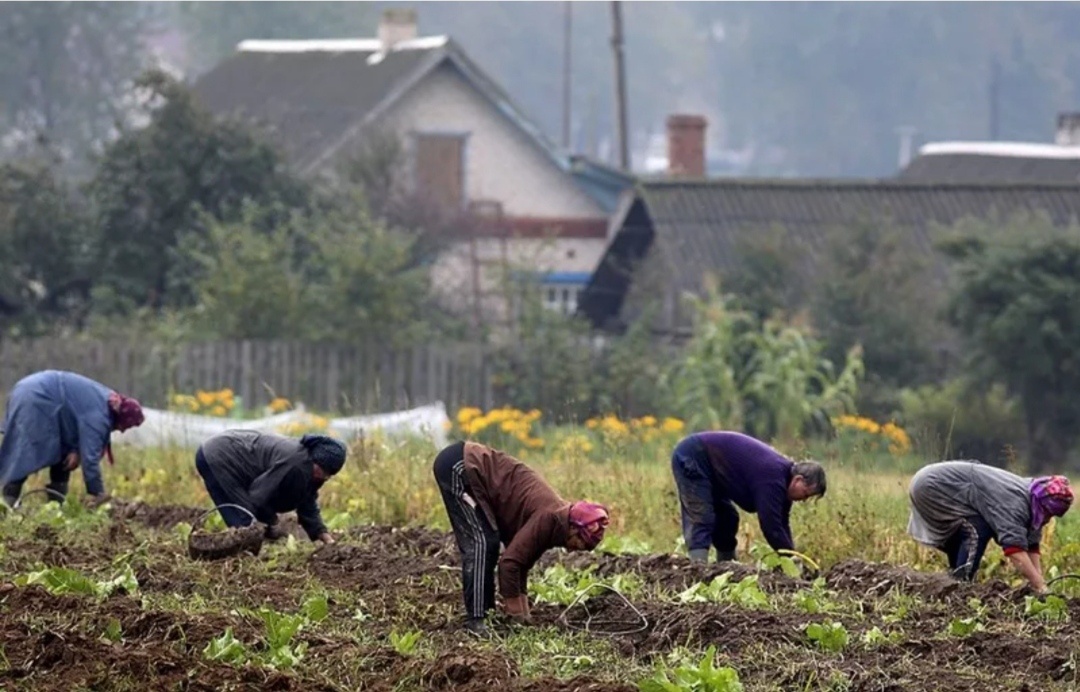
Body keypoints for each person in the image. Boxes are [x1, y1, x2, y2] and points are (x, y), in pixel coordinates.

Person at [432, 440, 609, 637]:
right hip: (460, 465)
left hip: (468, 466)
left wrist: (525, 616)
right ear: (574, 530)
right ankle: (477, 621)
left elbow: (521, 563)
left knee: (488, 543)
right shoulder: (549, 518)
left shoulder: (555, 523)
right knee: (482, 543)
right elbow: (509, 564)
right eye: (579, 545)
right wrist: (516, 618)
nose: (572, 550)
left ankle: (488, 616)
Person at [907, 460, 1073, 593]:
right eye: (1048, 514)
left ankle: (951, 581)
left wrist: (1039, 582)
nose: (1048, 519)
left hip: (937, 484)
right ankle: (961, 587)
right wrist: (1040, 587)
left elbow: (1031, 545)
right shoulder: (1015, 504)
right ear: (1042, 506)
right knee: (978, 529)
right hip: (932, 486)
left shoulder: (1033, 497)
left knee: (970, 530)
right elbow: (1015, 551)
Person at [670, 431, 826, 563]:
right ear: (798, 479)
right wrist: (790, 558)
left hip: (714, 472)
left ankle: (725, 569)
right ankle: (698, 571)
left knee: (727, 518)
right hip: (694, 456)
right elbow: (771, 525)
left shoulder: (784, 483)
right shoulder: (773, 477)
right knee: (701, 516)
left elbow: (781, 523)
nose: (804, 499)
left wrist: (792, 556)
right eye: (806, 494)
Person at [1, 370, 145, 507]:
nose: (122, 430)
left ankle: (55, 509)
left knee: (63, 457)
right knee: (23, 455)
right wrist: (99, 494)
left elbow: (75, 415)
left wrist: (75, 450)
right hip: (37, 398)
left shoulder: (106, 401)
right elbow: (90, 460)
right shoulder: (99, 416)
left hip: (36, 393)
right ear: (124, 418)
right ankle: (6, 508)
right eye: (127, 425)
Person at [195, 430, 345, 545]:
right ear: (315, 459)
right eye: (323, 470)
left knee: (249, 525)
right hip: (220, 455)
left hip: (220, 453)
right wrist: (273, 523)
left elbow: (307, 502)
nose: (325, 477)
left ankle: (244, 557)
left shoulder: (311, 470)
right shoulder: (294, 463)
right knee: (245, 522)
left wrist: (326, 539)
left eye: (330, 474)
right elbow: (258, 496)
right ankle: (239, 564)